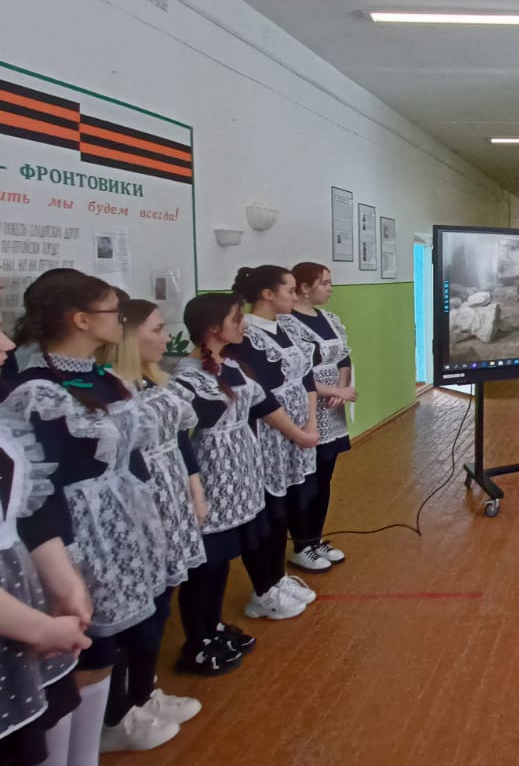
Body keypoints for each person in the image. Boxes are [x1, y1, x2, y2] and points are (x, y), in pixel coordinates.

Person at [0, 274, 170, 762]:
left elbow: (130, 453)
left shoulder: (104, 377)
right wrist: (65, 560)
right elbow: (38, 490)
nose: (122, 321)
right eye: (114, 311)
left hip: (119, 524)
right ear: (80, 319)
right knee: (83, 649)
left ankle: (96, 742)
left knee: (109, 645)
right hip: (75, 536)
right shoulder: (37, 391)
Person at [169, 294, 316, 675]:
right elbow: (177, 438)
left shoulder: (231, 365)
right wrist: (193, 490)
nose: (243, 324)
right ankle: (196, 642)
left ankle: (213, 626)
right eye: (236, 319)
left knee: (222, 560)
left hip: (241, 476)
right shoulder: (185, 378)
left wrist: (300, 435)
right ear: (212, 328)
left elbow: (263, 405)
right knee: (206, 564)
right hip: (213, 479)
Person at [97, 300, 206, 750]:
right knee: (134, 612)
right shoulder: (107, 390)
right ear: (128, 337)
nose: (166, 338)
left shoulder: (154, 380)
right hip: (138, 506)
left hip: (171, 499)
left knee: (161, 600)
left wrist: (194, 490)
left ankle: (144, 691)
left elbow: (180, 439)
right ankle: (117, 713)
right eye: (157, 330)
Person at [0, 316, 90, 766]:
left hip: (20, 605)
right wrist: (36, 628)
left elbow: (24, 505)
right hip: (14, 618)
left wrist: (63, 581)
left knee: (43, 729)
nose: (7, 343)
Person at [227, 266, 319, 616]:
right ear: (267, 294)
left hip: (297, 433)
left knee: (286, 507)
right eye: (290, 290)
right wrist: (296, 432)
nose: (296, 297)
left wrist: (311, 421)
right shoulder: (247, 336)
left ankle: (277, 576)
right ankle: (262, 588)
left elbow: (306, 377)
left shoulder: (287, 327)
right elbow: (259, 397)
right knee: (268, 509)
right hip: (269, 435)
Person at [279, 262, 357, 570]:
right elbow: (297, 373)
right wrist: (332, 390)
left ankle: (315, 538)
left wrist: (342, 389)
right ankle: (301, 544)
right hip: (307, 407)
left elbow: (344, 358)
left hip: (333, 408)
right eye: (324, 283)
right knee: (306, 480)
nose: (330, 288)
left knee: (325, 477)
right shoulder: (287, 323)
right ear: (304, 288)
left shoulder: (329, 319)